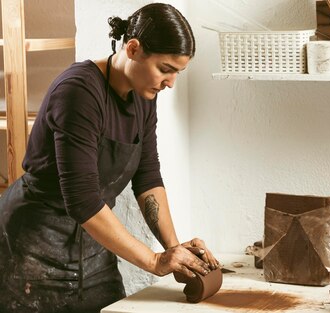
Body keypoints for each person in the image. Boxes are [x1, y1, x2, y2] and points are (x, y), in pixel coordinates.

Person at [0, 3, 218, 312]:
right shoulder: (79, 92)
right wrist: (155, 261)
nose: (170, 82)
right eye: (165, 69)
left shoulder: (144, 95)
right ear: (133, 49)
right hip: (32, 248)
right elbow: (83, 200)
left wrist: (174, 250)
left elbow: (148, 176)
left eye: (177, 73)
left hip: (93, 248)